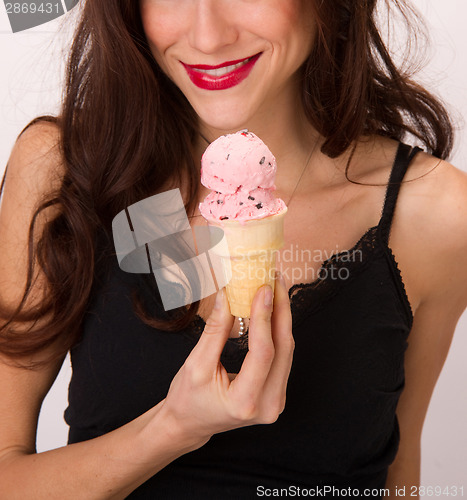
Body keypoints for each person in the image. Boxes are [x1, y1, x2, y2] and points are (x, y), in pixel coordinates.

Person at [0, 0, 466, 498]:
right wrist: (172, 428)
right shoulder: (68, 170)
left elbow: (396, 477)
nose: (208, 37)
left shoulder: (435, 214)